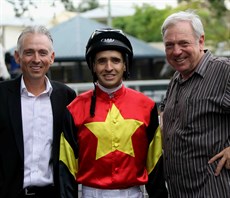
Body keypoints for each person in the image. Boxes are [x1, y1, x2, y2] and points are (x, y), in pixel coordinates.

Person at [59, 28, 168, 198]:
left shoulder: (147, 106)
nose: (109, 67)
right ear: (93, 66)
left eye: (115, 60)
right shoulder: (74, 109)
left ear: (125, 65)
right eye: (102, 61)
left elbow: (155, 165)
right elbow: (66, 169)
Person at [159, 10, 230, 198]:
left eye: (184, 43)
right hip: (179, 191)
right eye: (169, 45)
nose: (176, 51)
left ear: (201, 41)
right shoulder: (176, 79)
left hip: (214, 190)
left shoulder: (224, 72)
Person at [0, 25, 76, 198]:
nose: (36, 59)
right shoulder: (2, 95)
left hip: (53, 194)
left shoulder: (66, 96)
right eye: (29, 52)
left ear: (52, 57)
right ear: (17, 57)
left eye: (42, 52)